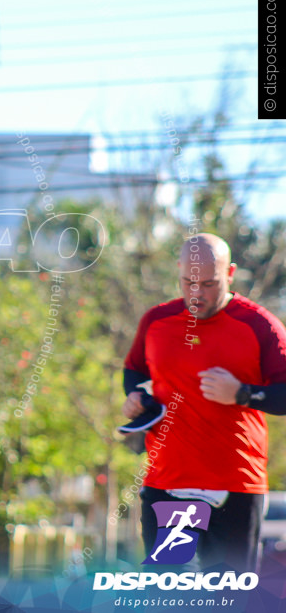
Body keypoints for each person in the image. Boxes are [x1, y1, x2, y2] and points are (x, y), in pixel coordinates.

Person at [122, 233, 286, 572]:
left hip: (235, 488)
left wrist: (242, 394)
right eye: (188, 282)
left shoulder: (260, 326)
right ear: (179, 272)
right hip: (168, 484)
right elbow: (133, 371)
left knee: (228, 600)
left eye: (209, 284)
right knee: (167, 596)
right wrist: (137, 398)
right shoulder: (157, 321)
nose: (197, 293)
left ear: (230, 274)